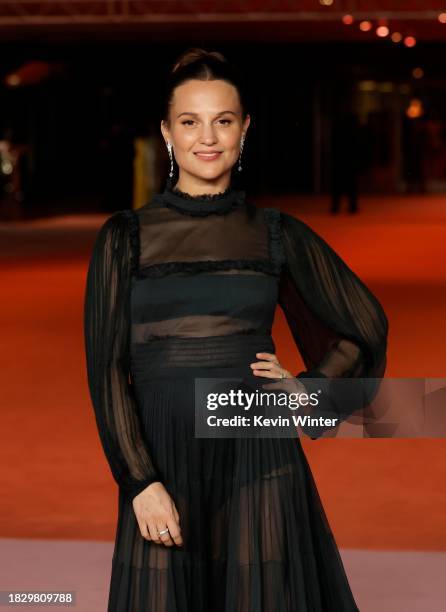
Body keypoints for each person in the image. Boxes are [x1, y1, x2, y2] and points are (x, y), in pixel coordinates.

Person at [84, 48, 388, 611]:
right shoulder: (125, 238)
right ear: (167, 132)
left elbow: (363, 325)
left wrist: (308, 391)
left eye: (223, 121)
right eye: (190, 121)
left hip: (257, 447)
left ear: (244, 128)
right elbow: (106, 370)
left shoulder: (276, 234)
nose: (208, 137)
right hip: (163, 455)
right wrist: (139, 482)